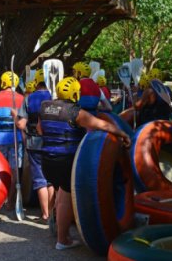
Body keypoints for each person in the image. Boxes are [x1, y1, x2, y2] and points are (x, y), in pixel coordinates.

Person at [37, 77, 131, 250]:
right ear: (74, 93)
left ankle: (57, 227)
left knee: (58, 193)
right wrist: (122, 134)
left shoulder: (45, 107)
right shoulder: (75, 112)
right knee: (65, 199)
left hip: (47, 159)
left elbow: (39, 130)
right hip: (66, 160)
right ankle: (62, 239)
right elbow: (101, 124)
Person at [15, 69, 54, 223]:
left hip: (34, 143)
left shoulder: (29, 98)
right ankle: (53, 214)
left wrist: (15, 117)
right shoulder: (55, 97)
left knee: (40, 180)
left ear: (36, 82)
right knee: (51, 180)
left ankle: (45, 215)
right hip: (53, 143)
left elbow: (21, 124)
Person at [0, 71, 24, 207]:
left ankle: (0, 199)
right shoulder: (21, 98)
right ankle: (10, 201)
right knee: (14, 171)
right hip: (15, 139)